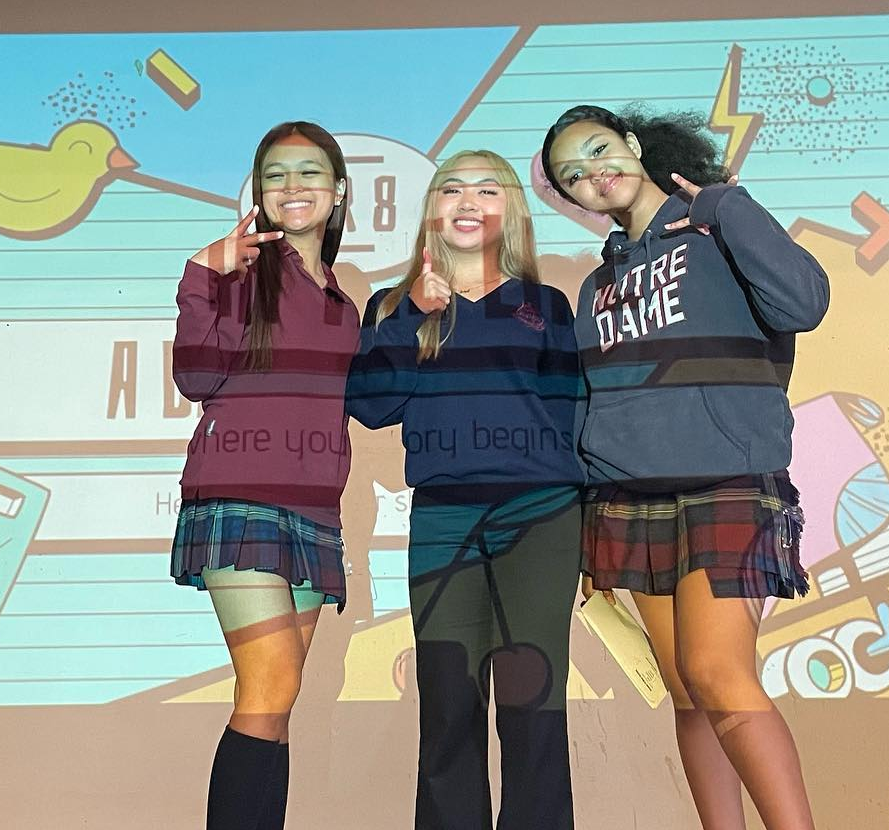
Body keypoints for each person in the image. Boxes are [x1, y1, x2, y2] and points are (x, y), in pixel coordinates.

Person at [540, 104, 826, 830]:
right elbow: (586, 400)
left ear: (634, 144)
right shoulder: (593, 286)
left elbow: (804, 301)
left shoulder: (718, 230)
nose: (592, 174)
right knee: (687, 693)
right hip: (625, 498)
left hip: (726, 483)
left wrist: (727, 203)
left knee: (718, 676)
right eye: (573, 174)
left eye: (599, 150)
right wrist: (579, 513)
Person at [343, 150, 585, 830]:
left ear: (511, 209)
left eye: (487, 188)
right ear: (432, 209)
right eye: (452, 188)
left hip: (542, 520)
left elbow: (573, 418)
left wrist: (589, 531)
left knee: (532, 703)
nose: (468, 199)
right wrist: (410, 315)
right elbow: (369, 405)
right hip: (444, 523)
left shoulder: (548, 305)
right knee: (448, 705)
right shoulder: (390, 306)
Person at [168, 121, 362, 830]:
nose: (292, 186)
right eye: (276, 174)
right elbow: (195, 376)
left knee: (279, 703)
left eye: (309, 172)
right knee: (270, 686)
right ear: (258, 193)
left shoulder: (343, 303)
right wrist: (200, 276)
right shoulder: (238, 273)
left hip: (315, 511)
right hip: (239, 497)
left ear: (338, 191)